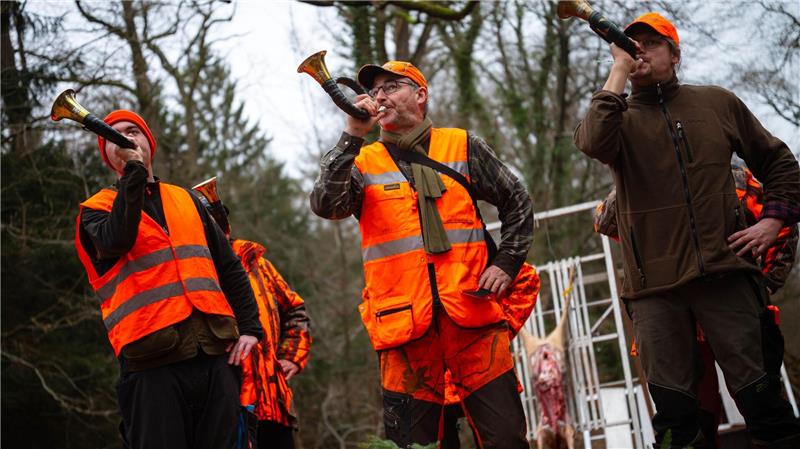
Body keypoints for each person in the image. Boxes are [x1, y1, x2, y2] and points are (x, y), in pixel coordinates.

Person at [574, 11, 800, 448]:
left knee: (768, 414)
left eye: (651, 44)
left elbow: (780, 163)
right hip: (655, 294)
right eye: (630, 44)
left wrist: (773, 220)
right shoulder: (616, 117)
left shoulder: (717, 102)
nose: (639, 50)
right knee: (679, 428)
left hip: (728, 277)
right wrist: (618, 69)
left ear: (675, 54)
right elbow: (591, 142)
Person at [310, 60, 534, 447]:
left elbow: (518, 201)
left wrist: (507, 263)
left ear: (420, 94)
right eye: (375, 90)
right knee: (415, 445)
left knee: (507, 438)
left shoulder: (462, 145)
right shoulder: (361, 161)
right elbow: (326, 204)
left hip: (473, 319)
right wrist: (352, 136)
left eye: (392, 86)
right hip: (404, 332)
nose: (380, 96)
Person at [74, 110, 263, 449]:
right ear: (108, 155)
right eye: (113, 135)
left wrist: (250, 327)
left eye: (133, 131)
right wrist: (133, 173)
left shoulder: (187, 199)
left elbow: (229, 268)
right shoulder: (96, 210)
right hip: (151, 366)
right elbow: (118, 239)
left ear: (149, 141)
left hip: (216, 355)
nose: (125, 138)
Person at [594, 162, 799, 448]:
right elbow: (605, 221)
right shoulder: (642, 181)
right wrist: (630, 170)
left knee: (764, 408)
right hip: (678, 326)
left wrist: (764, 284)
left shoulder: (735, 176)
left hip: (737, 312)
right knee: (690, 422)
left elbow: (782, 225)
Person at [193, 186, 312, 449]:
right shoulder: (196, 276)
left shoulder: (260, 265)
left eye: (220, 219)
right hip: (230, 407)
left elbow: (295, 310)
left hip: (275, 403)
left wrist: (291, 356)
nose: (219, 228)